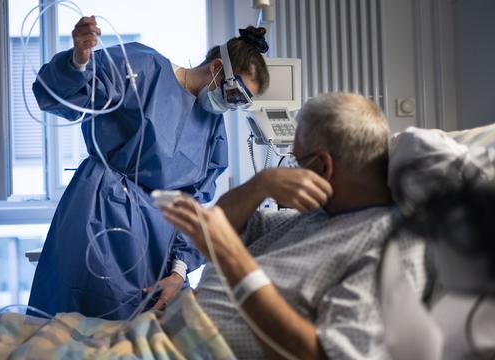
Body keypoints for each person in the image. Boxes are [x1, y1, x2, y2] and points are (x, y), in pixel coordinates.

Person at [28, 16, 271, 320]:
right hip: (100, 216)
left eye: (241, 103)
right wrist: (79, 62)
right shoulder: (143, 68)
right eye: (234, 95)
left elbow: (192, 204)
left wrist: (179, 271)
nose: (232, 106)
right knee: (81, 328)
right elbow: (64, 96)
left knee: (155, 334)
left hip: (159, 243)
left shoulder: (213, 130)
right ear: (217, 68)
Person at [161, 93, 427, 359]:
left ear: (323, 166)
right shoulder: (319, 216)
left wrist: (236, 263)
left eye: (298, 163)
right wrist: (261, 184)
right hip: (163, 333)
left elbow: (328, 355)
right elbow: (214, 232)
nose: (292, 171)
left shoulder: (391, 247)